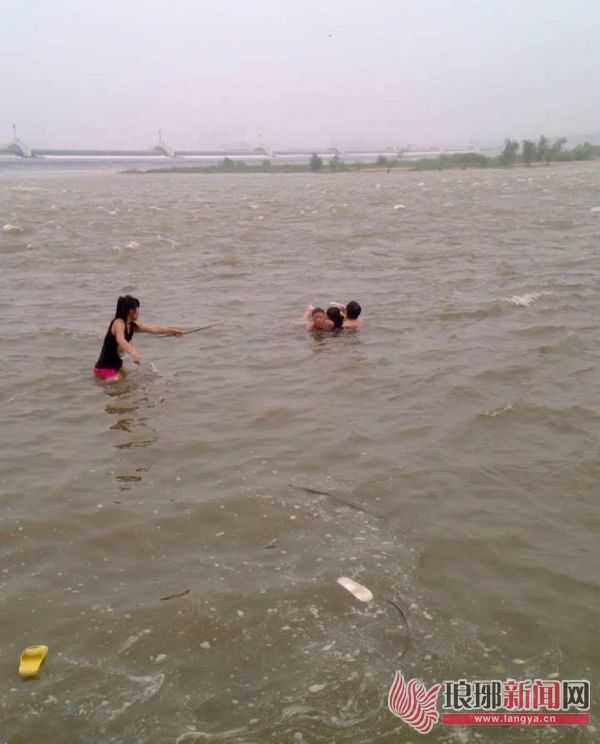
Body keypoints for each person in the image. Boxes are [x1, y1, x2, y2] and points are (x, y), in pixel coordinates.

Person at [94, 295, 181, 380]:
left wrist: (172, 331)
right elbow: (120, 340)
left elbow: (152, 329)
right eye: (137, 309)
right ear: (131, 311)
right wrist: (133, 353)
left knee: (127, 383)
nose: (139, 312)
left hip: (116, 368)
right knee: (125, 384)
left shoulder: (132, 325)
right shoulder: (118, 323)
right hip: (103, 369)